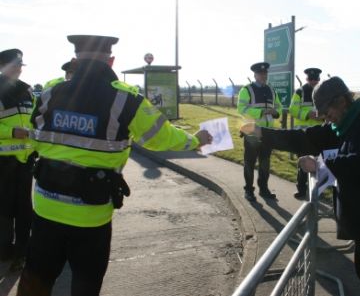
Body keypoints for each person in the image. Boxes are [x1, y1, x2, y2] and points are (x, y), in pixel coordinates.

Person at [15, 35, 212, 296]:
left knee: (35, 281)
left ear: (75, 59)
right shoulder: (126, 100)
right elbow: (160, 137)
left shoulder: (50, 92)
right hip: (91, 215)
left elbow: (33, 136)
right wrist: (194, 141)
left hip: (45, 208)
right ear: (111, 60)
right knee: (86, 284)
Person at [241, 76, 360, 296]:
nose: (322, 116)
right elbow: (303, 138)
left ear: (340, 101)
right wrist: (262, 133)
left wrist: (320, 163)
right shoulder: (340, 125)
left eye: (325, 110)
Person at [0, 48, 35, 272]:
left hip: (25, 160)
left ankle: (22, 250)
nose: (18, 69)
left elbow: (35, 121)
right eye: (14, 65)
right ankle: (4, 250)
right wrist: (12, 132)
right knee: (3, 209)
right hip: (3, 161)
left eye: (20, 66)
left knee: (24, 209)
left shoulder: (28, 91)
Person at [237, 62, 282, 201]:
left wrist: (275, 112)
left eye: (265, 74)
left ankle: (264, 189)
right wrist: (261, 112)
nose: (263, 76)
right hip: (252, 132)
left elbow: (279, 106)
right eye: (261, 74)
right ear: (255, 75)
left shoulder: (271, 90)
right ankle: (249, 191)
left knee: (265, 162)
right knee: (250, 163)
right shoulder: (246, 90)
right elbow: (241, 109)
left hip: (267, 133)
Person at [289, 67, 323, 200]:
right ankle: (301, 190)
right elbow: (293, 110)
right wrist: (307, 114)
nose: (313, 81)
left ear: (319, 79)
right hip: (303, 134)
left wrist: (323, 117)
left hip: (319, 134)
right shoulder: (300, 92)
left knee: (319, 163)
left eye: (316, 79)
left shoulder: (323, 92)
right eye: (311, 79)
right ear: (307, 79)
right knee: (303, 162)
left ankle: (317, 190)